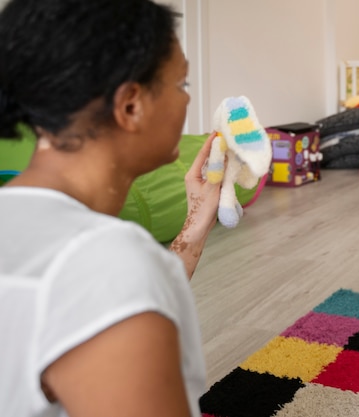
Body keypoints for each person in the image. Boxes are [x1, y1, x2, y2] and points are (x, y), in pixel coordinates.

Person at [0, 0, 224, 416]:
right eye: (182, 85)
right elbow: (100, 279)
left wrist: (196, 220)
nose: (186, 101)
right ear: (131, 105)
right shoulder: (104, 261)